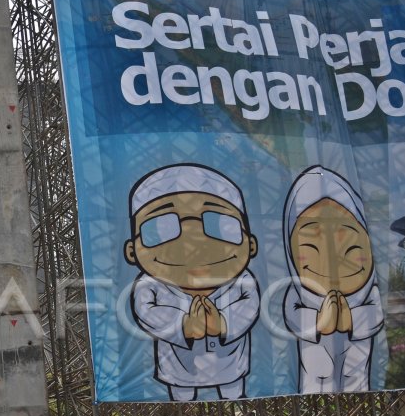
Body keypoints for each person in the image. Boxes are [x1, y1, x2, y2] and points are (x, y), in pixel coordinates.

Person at [124, 163, 261, 401]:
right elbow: (146, 311)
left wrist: (224, 324)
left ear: (250, 244)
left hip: (229, 362)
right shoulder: (149, 284)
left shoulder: (243, 280)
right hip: (178, 365)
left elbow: (249, 306)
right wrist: (184, 327)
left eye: (216, 223)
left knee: (233, 392)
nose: (194, 242)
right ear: (132, 251)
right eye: (161, 229)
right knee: (181, 397)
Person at [282, 165, 383, 393]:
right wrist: (319, 322)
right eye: (310, 242)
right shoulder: (296, 290)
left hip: (356, 350)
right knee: (313, 384)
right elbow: (293, 316)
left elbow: (375, 313)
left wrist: (353, 322)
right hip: (314, 357)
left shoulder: (369, 291)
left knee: (356, 379)